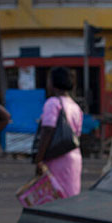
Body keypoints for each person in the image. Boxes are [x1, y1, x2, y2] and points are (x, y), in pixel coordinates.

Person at [34, 67, 83, 198]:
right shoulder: (75, 106)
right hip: (73, 158)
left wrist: (39, 159)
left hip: (57, 159)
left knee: (55, 198)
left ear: (52, 83)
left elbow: (47, 130)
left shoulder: (53, 103)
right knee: (70, 197)